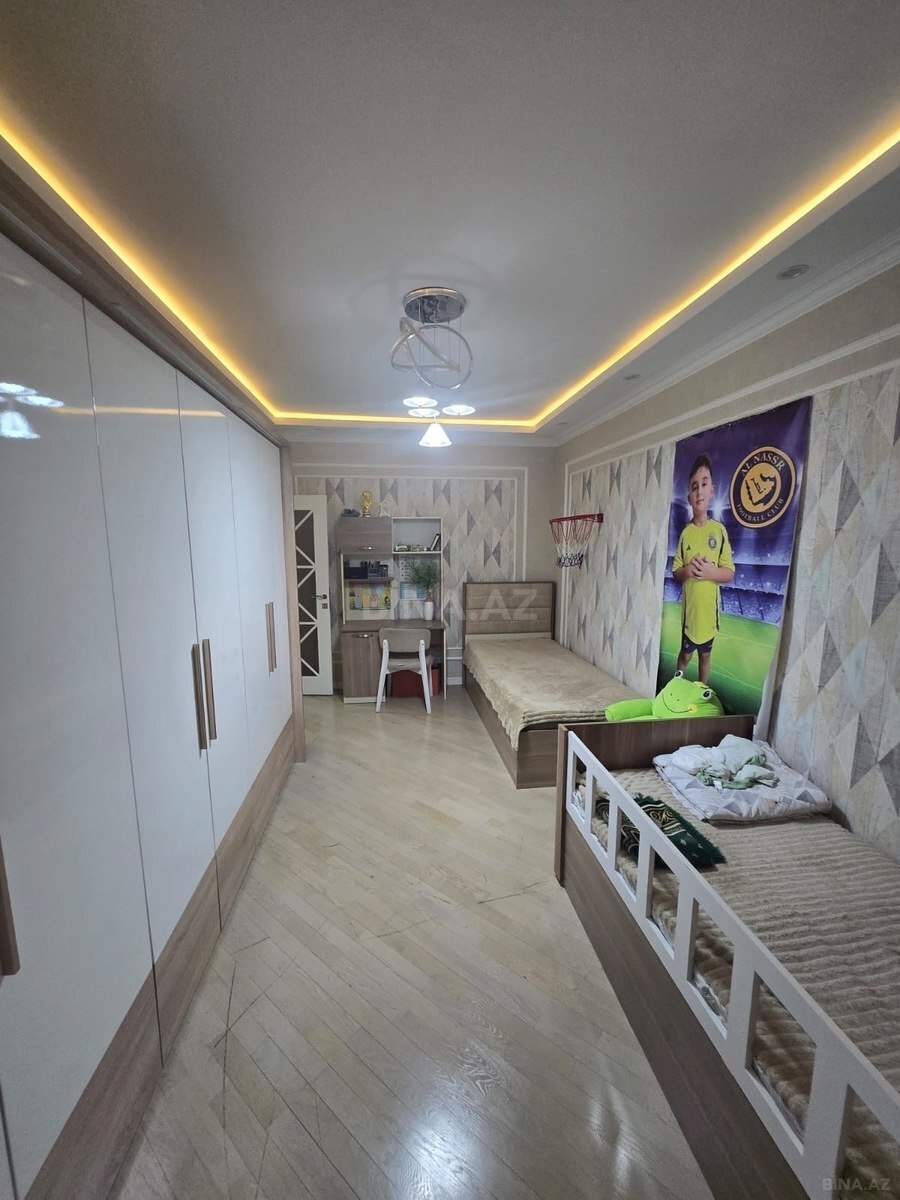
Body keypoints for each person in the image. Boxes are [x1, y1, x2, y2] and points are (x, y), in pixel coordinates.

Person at [672, 453, 735, 683]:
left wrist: (711, 573)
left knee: (705, 657)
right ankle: (676, 686)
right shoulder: (686, 534)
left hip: (709, 617)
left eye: (704, 484)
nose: (699, 491)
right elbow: (676, 571)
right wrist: (688, 570)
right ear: (689, 497)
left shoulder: (719, 531)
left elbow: (729, 572)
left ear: (712, 491)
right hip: (691, 617)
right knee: (685, 656)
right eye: (694, 486)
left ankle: (701, 691)